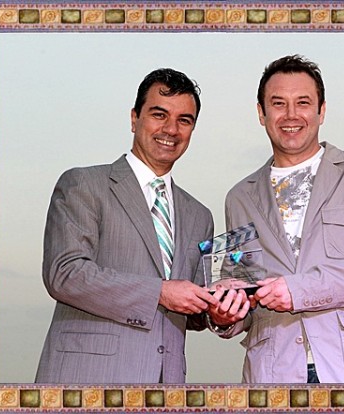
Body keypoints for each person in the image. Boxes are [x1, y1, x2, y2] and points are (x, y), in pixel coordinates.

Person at [208, 55, 344, 383]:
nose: (291, 115)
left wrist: (299, 289)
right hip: (273, 375)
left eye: (303, 102)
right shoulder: (238, 197)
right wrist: (223, 316)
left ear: (322, 110)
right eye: (278, 103)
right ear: (261, 113)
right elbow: (239, 293)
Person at [35, 68, 218, 384]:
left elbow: (194, 312)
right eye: (159, 114)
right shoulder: (83, 184)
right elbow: (64, 274)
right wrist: (159, 292)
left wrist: (220, 310)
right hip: (87, 383)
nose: (171, 129)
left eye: (184, 120)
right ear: (134, 118)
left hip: (167, 388)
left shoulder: (200, 216)